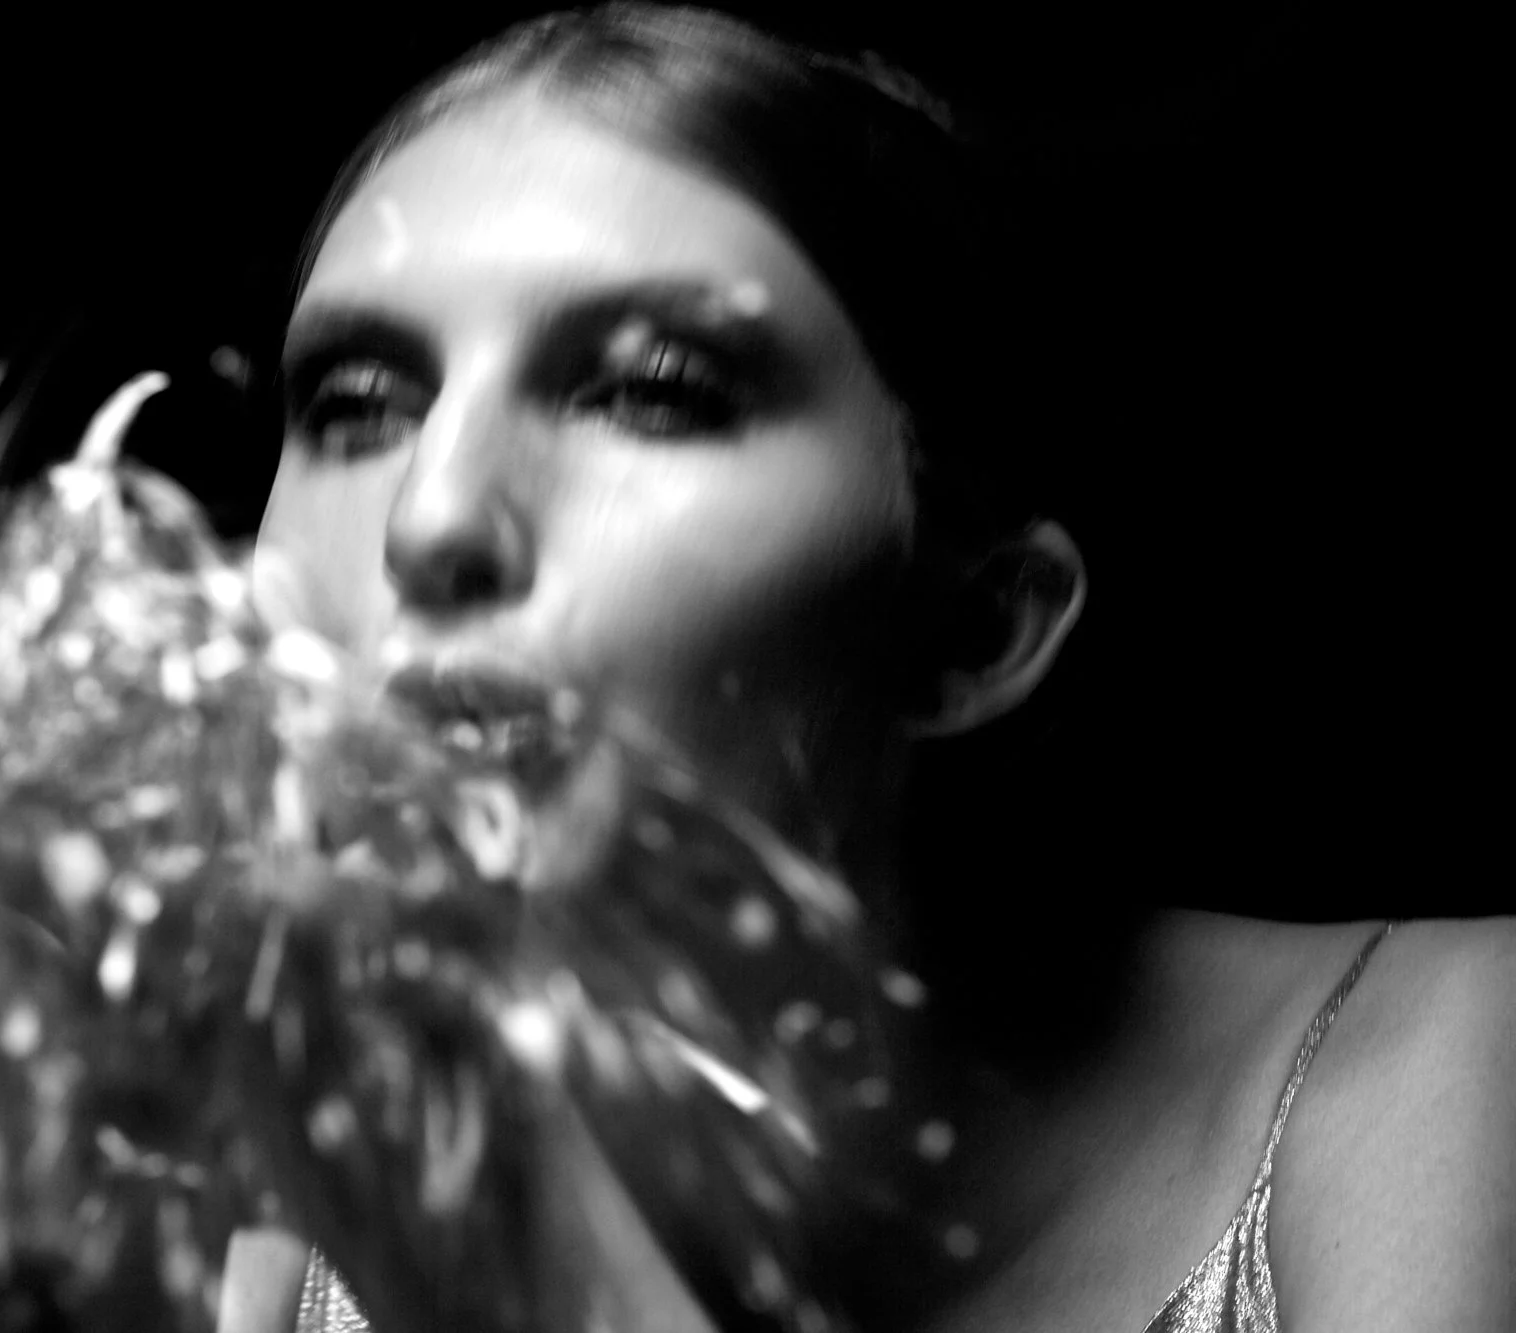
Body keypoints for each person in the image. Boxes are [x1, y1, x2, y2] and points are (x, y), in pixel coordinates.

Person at [226, 5, 1516, 1330]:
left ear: (975, 629)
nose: (430, 522)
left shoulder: (1446, 1069)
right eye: (358, 405)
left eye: (655, 390)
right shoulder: (244, 1207)